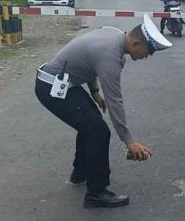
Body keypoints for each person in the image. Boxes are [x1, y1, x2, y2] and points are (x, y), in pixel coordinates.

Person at [35, 15, 172, 208]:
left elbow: (89, 61)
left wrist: (94, 91)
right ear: (136, 42)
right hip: (53, 89)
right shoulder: (110, 55)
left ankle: (81, 173)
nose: (147, 56)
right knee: (98, 131)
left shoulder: (114, 34)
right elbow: (115, 101)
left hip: (64, 85)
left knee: (91, 124)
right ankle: (96, 192)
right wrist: (129, 141)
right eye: (147, 52)